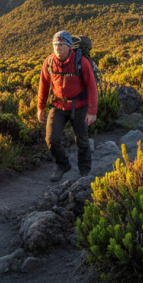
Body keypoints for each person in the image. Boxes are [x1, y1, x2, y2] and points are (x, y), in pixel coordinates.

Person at [37, 31, 98, 182]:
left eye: (61, 45)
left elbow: (91, 87)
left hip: (80, 106)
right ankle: (63, 165)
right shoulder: (49, 62)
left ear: (69, 46)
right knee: (52, 139)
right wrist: (41, 107)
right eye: (55, 45)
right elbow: (43, 86)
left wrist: (92, 111)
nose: (57, 48)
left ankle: (84, 171)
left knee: (82, 141)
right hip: (58, 105)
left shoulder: (81, 62)